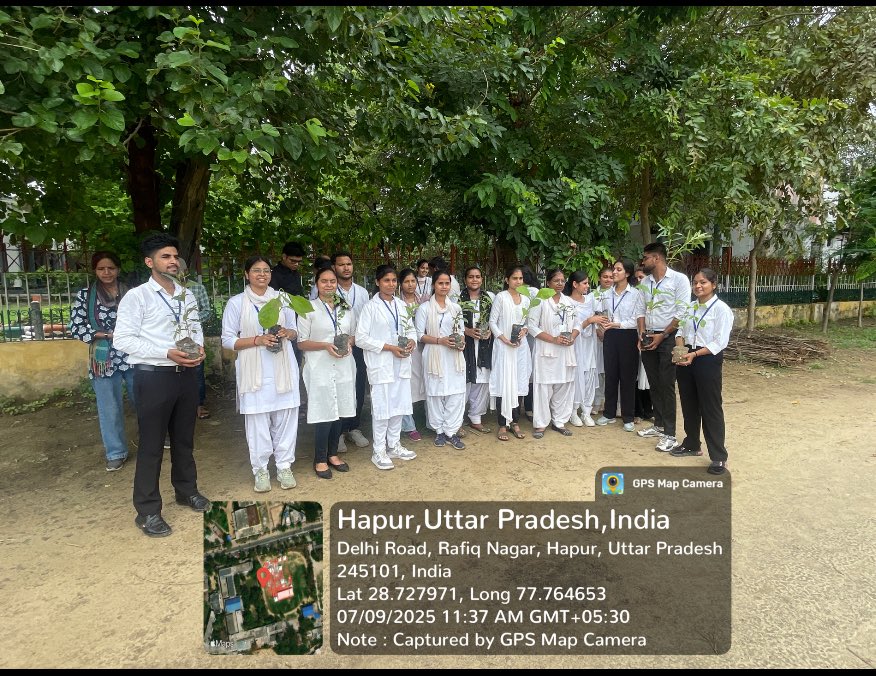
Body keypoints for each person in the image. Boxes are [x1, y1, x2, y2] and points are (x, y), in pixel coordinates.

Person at [113, 233, 210, 538]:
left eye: (174, 256)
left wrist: (199, 348)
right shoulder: (137, 297)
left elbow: (195, 328)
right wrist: (165, 352)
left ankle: (186, 490)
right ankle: (147, 510)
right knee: (152, 444)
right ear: (149, 262)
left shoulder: (186, 295)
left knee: (184, 439)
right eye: (165, 256)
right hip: (153, 376)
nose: (172, 261)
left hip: (186, 375)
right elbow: (122, 340)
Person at [221, 255, 300, 492]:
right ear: (247, 274)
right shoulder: (237, 303)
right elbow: (227, 340)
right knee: (257, 422)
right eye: (256, 270)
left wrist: (287, 332)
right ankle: (261, 470)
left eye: (266, 270)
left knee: (286, 418)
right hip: (253, 371)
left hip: (283, 366)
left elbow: (296, 332)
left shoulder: (282, 300)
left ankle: (284, 466)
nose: (262, 274)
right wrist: (257, 340)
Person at [70, 251, 135, 471]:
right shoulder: (86, 295)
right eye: (101, 269)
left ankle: (154, 440)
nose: (107, 272)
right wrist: (107, 335)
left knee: (145, 400)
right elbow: (76, 327)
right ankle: (116, 452)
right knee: (109, 407)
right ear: (95, 271)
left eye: (111, 268)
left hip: (133, 354)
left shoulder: (132, 293)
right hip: (103, 357)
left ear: (118, 269)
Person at [670, 268, 734, 475]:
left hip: (707, 359)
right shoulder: (691, 307)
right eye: (695, 282)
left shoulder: (721, 310)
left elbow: (720, 342)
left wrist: (695, 355)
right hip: (686, 357)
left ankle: (718, 456)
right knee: (688, 403)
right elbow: (680, 331)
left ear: (714, 285)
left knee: (710, 407)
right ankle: (691, 444)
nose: (698, 286)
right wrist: (681, 352)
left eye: (703, 282)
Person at [356, 265, 419, 470]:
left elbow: (411, 330)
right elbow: (360, 338)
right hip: (381, 364)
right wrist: (389, 347)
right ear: (377, 282)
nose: (391, 284)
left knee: (399, 406)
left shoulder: (401, 305)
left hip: (401, 363)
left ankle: (394, 445)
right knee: (382, 409)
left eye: (393, 280)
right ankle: (379, 450)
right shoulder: (370, 307)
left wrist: (412, 341)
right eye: (386, 280)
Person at [297, 265, 355, 479]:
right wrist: (324, 345)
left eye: (332, 281)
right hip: (319, 367)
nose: (329, 285)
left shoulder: (346, 308)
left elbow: (353, 335)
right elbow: (301, 342)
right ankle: (320, 459)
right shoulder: (308, 308)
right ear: (316, 284)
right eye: (324, 281)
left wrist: (349, 344)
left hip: (343, 365)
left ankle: (333, 454)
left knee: (339, 410)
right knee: (324, 412)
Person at [636, 242, 692, 452]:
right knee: (654, 382)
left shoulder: (679, 280)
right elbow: (640, 310)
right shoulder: (645, 283)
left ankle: (670, 434)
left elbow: (682, 312)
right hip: (649, 336)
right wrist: (642, 334)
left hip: (670, 337)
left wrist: (663, 335)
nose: (643, 261)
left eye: (646, 257)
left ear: (657, 258)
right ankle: (659, 425)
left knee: (667, 384)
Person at [415, 270, 467, 449]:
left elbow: (461, 331)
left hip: (454, 355)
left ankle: (451, 431)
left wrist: (461, 343)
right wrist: (440, 341)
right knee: (435, 392)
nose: (444, 287)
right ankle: (439, 431)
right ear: (433, 285)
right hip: (434, 354)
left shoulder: (456, 308)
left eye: (447, 283)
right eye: (440, 283)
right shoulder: (424, 308)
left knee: (456, 392)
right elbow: (419, 335)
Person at [595, 258, 645, 432]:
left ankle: (628, 416)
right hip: (610, 335)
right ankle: (609, 413)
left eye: (618, 270)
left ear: (627, 273)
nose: (614, 273)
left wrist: (617, 324)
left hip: (628, 336)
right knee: (611, 375)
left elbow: (637, 319)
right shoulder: (606, 294)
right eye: (614, 269)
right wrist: (601, 326)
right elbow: (601, 314)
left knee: (628, 377)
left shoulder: (636, 294)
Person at [528, 269, 579, 438]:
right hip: (547, 349)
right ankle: (541, 424)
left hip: (565, 350)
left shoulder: (569, 302)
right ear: (548, 282)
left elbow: (577, 324)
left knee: (564, 385)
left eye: (562, 281)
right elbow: (532, 327)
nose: (560, 283)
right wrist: (553, 339)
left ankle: (559, 421)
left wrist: (572, 337)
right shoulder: (540, 301)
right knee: (544, 388)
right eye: (556, 280)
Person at [332, 250, 371, 451]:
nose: (346, 268)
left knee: (358, 386)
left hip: (359, 346)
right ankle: (338, 432)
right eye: (341, 264)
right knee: (339, 388)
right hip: (336, 347)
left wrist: (357, 339)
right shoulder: (327, 290)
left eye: (348, 264)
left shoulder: (362, 292)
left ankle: (354, 427)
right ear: (334, 268)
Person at [489, 264, 531, 441]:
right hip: (504, 347)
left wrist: (524, 331)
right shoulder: (501, 297)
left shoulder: (526, 300)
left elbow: (527, 322)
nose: (518, 281)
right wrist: (504, 339)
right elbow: (492, 322)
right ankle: (502, 424)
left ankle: (515, 422)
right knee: (504, 383)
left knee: (519, 383)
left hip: (520, 348)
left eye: (520, 278)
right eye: (515, 278)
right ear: (507, 280)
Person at [565, 271, 607, 427]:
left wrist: (598, 325)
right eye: (584, 283)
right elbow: (570, 326)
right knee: (576, 376)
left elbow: (601, 312)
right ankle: (573, 411)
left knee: (589, 375)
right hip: (575, 344)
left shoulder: (590, 300)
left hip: (590, 344)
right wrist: (589, 321)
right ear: (574, 284)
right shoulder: (567, 302)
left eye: (588, 283)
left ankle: (586, 411)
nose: (587, 286)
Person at [460, 265, 494, 434]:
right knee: (463, 382)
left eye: (478, 276)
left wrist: (490, 331)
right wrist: (466, 331)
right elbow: (451, 322)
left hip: (484, 346)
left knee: (482, 381)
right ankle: (457, 420)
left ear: (482, 279)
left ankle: (476, 418)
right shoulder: (457, 300)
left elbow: (495, 320)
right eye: (471, 277)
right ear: (465, 280)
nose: (474, 280)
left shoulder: (490, 299)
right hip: (465, 346)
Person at [178, 258, 212, 420]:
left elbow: (207, 311)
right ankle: (180, 406)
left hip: (192, 337)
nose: (176, 274)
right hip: (170, 338)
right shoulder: (161, 291)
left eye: (179, 270)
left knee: (196, 371)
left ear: (186, 271)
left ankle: (199, 404)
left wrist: (191, 321)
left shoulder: (197, 288)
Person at [398, 268, 425, 441]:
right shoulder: (396, 303)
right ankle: (408, 425)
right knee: (406, 385)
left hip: (424, 347)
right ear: (401, 284)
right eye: (406, 281)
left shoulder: (425, 300)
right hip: (405, 349)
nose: (410, 285)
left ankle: (428, 419)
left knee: (424, 381)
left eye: (413, 281)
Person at [590, 265, 614, 416]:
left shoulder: (616, 294)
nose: (608, 280)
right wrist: (597, 330)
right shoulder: (592, 296)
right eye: (605, 277)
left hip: (613, 335)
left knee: (610, 371)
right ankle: (596, 402)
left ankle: (611, 403)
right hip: (597, 338)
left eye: (611, 277)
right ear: (599, 278)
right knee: (599, 371)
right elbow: (588, 316)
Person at [633, 265, 654, 423]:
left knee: (649, 376)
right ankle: (638, 411)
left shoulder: (654, 296)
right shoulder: (633, 295)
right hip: (635, 338)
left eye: (642, 278)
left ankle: (649, 411)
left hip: (651, 338)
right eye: (637, 278)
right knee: (636, 377)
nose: (640, 281)